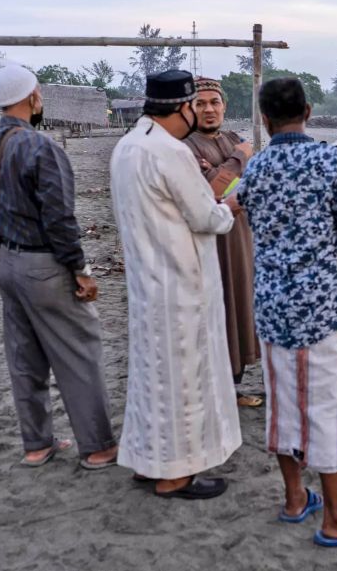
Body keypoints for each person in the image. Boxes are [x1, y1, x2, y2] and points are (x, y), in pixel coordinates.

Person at [236, 77, 337, 547]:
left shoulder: (256, 167)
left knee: (283, 404)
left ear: (264, 118)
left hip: (272, 307)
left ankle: (295, 499)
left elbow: (234, 209)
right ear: (308, 109)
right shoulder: (329, 161)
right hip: (322, 307)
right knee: (327, 408)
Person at [0, 65, 118, 469]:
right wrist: (80, 270)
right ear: (34, 97)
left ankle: (37, 445)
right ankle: (98, 447)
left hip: (7, 262)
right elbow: (59, 219)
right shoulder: (42, 147)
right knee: (79, 354)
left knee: (24, 358)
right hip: (44, 264)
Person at [110, 70, 242, 499]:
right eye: (195, 105)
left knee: (150, 378)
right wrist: (232, 205)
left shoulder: (128, 146)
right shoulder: (170, 152)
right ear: (184, 108)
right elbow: (208, 216)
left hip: (147, 282)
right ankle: (175, 475)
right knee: (184, 382)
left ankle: (148, 461)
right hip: (180, 286)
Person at [185, 77, 262, 408]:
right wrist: (233, 164)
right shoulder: (185, 145)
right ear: (190, 108)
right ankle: (214, 389)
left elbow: (252, 186)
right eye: (200, 103)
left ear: (224, 106)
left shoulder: (234, 139)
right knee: (215, 312)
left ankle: (234, 385)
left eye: (214, 102)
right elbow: (209, 194)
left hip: (241, 236)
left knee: (242, 306)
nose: (208, 109)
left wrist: (218, 171)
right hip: (207, 242)